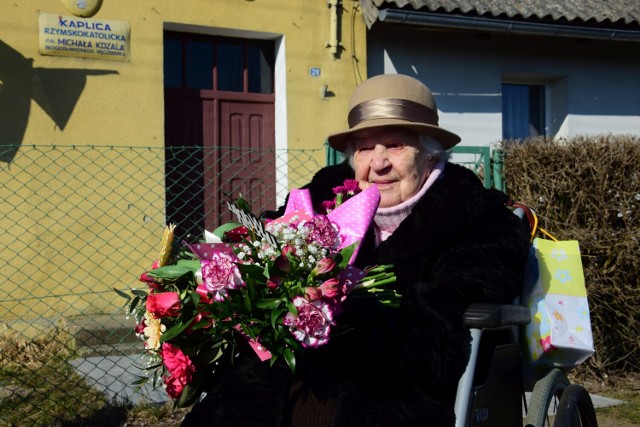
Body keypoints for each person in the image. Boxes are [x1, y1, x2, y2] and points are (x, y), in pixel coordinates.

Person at [182, 74, 531, 426]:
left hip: (392, 389)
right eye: (365, 148)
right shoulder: (320, 196)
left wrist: (345, 318)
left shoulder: (477, 219)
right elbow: (263, 240)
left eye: (395, 145)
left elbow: (438, 329)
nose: (378, 163)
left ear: (429, 153)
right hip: (279, 374)